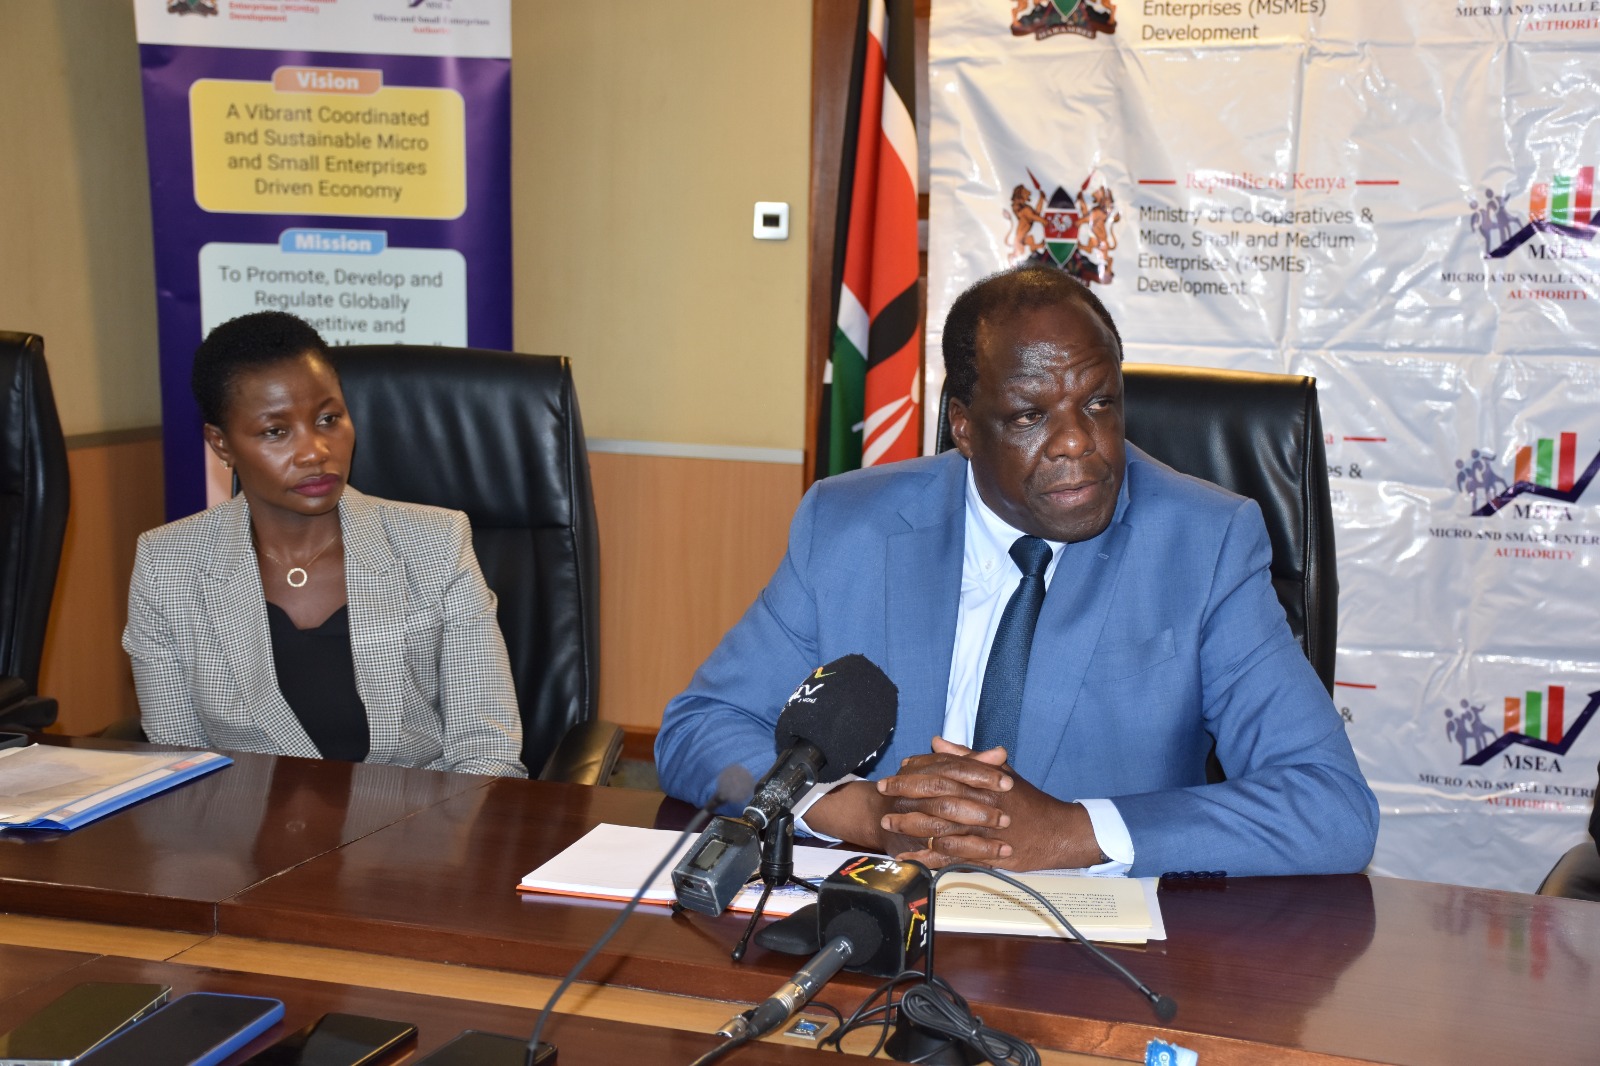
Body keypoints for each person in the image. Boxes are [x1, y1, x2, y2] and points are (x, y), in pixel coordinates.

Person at [655, 264, 1378, 877]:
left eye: (1100, 402)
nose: (1078, 443)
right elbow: (699, 728)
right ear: (965, 426)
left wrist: (1069, 831)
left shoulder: (1204, 544)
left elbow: (1330, 807)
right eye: (1030, 415)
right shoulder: (848, 526)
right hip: (875, 935)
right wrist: (864, 814)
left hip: (1087, 963)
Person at [122, 311, 525, 777]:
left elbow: (486, 748)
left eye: (329, 418)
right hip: (244, 837)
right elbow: (181, 766)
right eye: (276, 431)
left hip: (415, 830)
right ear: (221, 444)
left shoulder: (436, 543)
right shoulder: (166, 565)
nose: (315, 451)